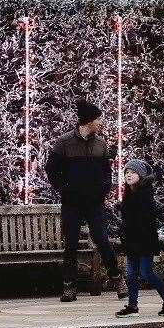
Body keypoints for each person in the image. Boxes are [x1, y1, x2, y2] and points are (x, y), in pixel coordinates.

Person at [46, 99, 124, 302]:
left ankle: (117, 278)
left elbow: (107, 172)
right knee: (70, 244)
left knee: (102, 240)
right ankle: (69, 287)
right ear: (88, 121)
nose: (100, 123)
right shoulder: (64, 142)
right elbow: (51, 170)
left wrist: (104, 190)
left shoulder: (100, 144)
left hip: (94, 202)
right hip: (72, 202)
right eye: (98, 119)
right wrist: (64, 189)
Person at [115, 159, 164, 317]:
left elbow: (145, 220)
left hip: (144, 241)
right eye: (126, 173)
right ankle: (132, 305)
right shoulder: (129, 193)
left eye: (132, 172)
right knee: (130, 274)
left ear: (141, 175)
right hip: (132, 241)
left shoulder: (144, 194)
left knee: (145, 272)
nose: (128, 175)